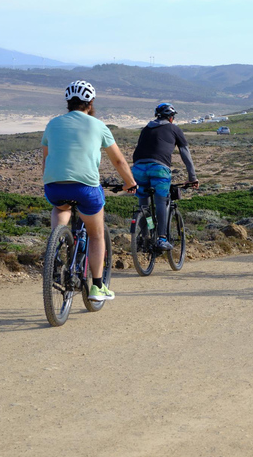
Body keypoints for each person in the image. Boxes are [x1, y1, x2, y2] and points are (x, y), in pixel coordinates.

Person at [42, 80, 137, 301]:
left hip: (54, 185)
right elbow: (119, 161)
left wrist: (50, 181)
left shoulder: (52, 124)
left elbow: (46, 159)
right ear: (91, 102)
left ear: (68, 102)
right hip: (85, 187)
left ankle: (55, 248)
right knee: (96, 235)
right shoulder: (98, 125)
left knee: (60, 206)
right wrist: (130, 182)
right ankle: (96, 287)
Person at [132, 103, 199, 251]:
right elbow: (185, 153)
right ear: (170, 118)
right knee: (161, 200)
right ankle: (162, 238)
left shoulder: (146, 129)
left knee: (144, 205)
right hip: (159, 168)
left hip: (138, 167)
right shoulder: (174, 129)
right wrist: (192, 177)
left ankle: (145, 237)